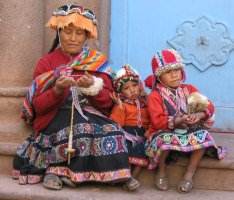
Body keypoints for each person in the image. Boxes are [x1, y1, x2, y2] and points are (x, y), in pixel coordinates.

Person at [12, 4, 132, 190]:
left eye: (79, 33)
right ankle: (55, 171)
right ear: (59, 32)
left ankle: (118, 173)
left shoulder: (97, 62)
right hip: (55, 116)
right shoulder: (47, 63)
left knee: (112, 130)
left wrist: (92, 87)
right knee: (77, 130)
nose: (73, 38)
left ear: (86, 36)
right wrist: (57, 90)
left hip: (89, 113)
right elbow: (38, 107)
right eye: (68, 32)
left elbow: (108, 103)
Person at [144, 49, 226, 193]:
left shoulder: (189, 89)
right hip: (166, 131)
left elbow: (209, 106)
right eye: (168, 72)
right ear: (159, 76)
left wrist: (200, 115)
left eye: (177, 69)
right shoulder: (155, 96)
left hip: (187, 132)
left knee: (203, 136)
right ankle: (161, 171)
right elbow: (157, 122)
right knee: (163, 139)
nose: (175, 74)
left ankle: (189, 175)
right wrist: (177, 121)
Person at [110, 65, 150, 191]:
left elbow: (151, 120)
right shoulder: (122, 105)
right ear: (120, 92)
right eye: (126, 88)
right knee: (124, 151)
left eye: (134, 85)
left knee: (144, 152)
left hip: (143, 135)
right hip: (127, 134)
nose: (132, 90)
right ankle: (124, 177)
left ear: (140, 85)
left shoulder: (146, 103)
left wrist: (150, 131)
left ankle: (133, 178)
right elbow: (116, 124)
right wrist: (120, 108)